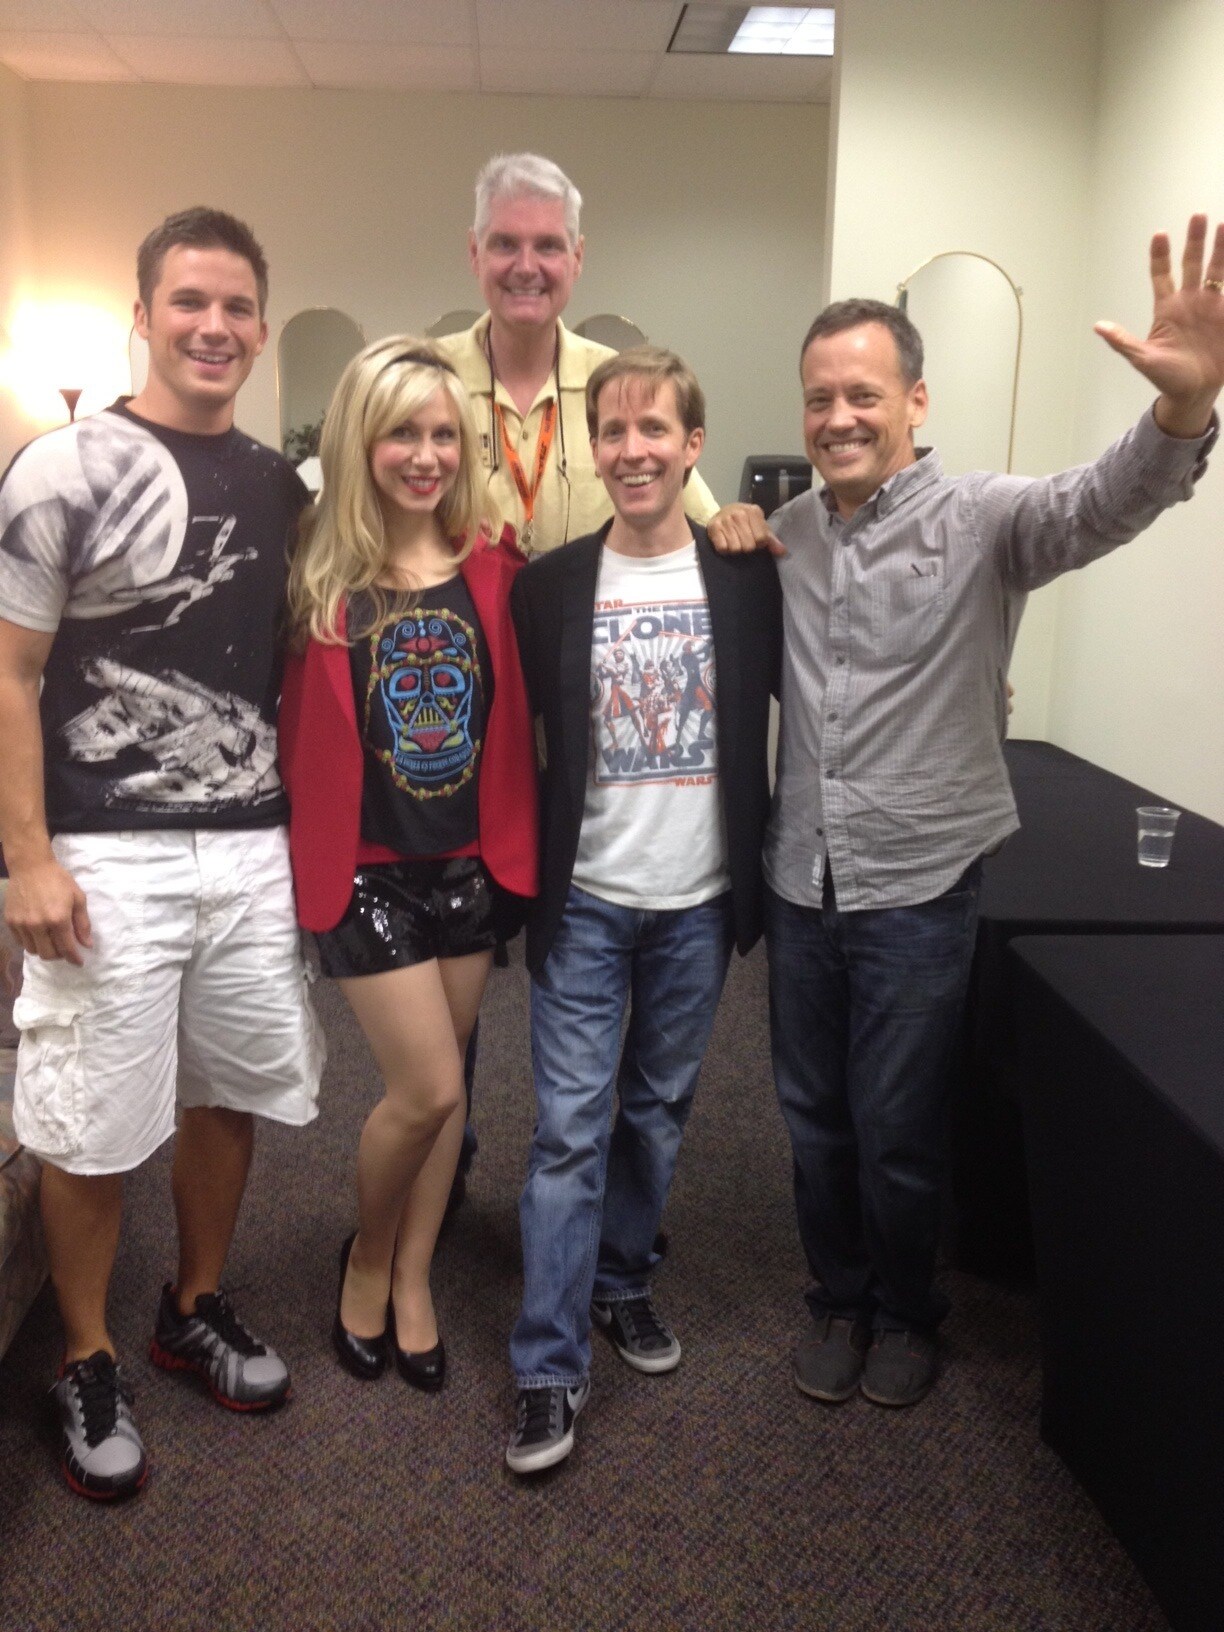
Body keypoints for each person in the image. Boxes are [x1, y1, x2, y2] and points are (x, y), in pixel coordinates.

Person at [708, 215, 1224, 1408]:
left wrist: (1182, 413)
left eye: (863, 395)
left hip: (922, 887)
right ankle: (834, 1297)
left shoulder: (988, 519)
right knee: (811, 1117)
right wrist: (724, 528)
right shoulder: (780, 541)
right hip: (802, 879)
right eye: (817, 397)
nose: (838, 417)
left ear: (916, 400)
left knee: (894, 1124)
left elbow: (1104, 504)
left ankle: (904, 1310)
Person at [0, 207, 324, 1500]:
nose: (215, 327)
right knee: (88, 1125)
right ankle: (82, 1353)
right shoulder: (61, 468)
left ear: (259, 322)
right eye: (190, 301)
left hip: (248, 850)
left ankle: (189, 1306)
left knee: (226, 1091)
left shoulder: (278, 485)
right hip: (102, 851)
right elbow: (12, 672)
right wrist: (24, 855)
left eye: (238, 306)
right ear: (144, 314)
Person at [504, 347, 780, 1473]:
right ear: (593, 447)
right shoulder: (550, 586)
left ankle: (621, 1283)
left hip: (700, 903)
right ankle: (546, 1368)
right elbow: (517, 747)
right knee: (569, 1128)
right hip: (587, 903)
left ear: (693, 445)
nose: (632, 450)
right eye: (611, 431)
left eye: (654, 430)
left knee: (657, 1111)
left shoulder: (749, 577)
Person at [436, 152, 721, 1204]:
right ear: (475, 255)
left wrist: (737, 524)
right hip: (457, 754)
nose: (526, 264)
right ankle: (441, 1187)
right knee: (452, 1009)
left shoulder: (616, 386)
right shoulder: (423, 380)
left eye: (546, 245)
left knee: (581, 1019)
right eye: (505, 243)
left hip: (592, 776)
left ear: (577, 258)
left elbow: (703, 518)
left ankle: (594, 1232)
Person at [278, 339, 537, 1391]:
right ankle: (368, 1258)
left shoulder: (497, 568)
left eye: (442, 434)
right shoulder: (313, 578)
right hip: (365, 867)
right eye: (402, 433)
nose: (425, 455)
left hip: (471, 861)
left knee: (453, 1086)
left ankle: (417, 1275)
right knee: (423, 1087)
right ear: (361, 441)